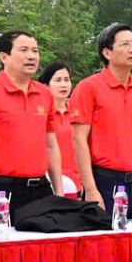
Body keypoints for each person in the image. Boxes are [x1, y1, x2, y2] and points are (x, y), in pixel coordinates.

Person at [0, 29, 64, 220]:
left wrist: (58, 192)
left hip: (41, 188)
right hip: (3, 190)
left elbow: (51, 145)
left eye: (35, 51)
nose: (31, 56)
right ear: (4, 57)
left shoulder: (44, 94)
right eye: (24, 50)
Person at [69, 24, 132, 220]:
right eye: (125, 44)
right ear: (107, 52)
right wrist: (91, 189)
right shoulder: (89, 88)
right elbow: (79, 140)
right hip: (105, 182)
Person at [42, 62, 81, 195]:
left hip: (80, 183)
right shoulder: (42, 114)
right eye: (58, 80)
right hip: (53, 183)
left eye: (67, 80)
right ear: (46, 85)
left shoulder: (78, 111)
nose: (64, 84)